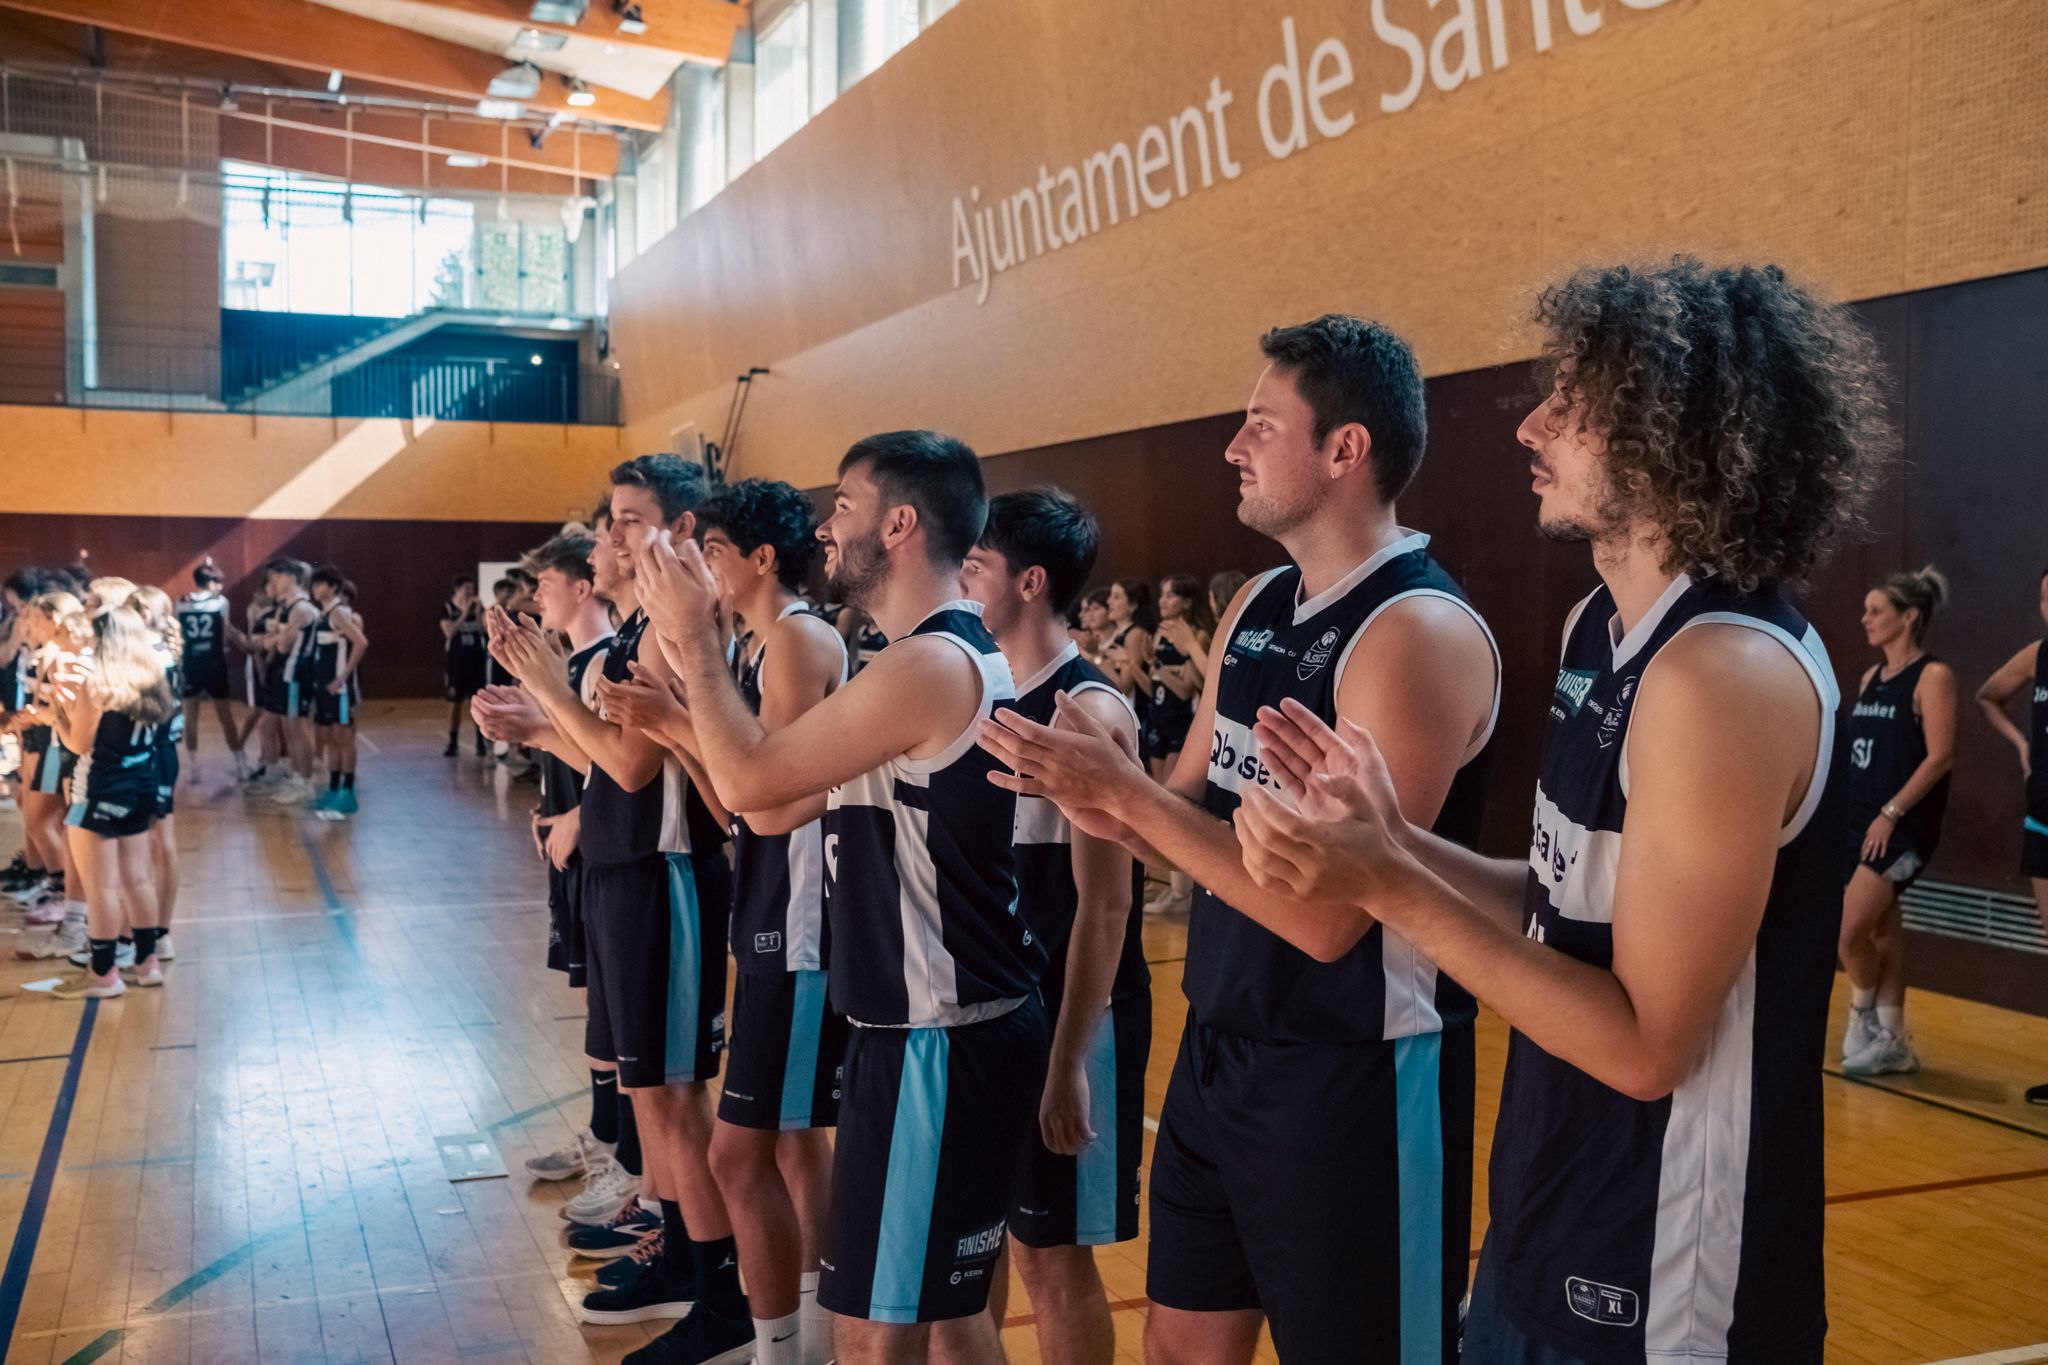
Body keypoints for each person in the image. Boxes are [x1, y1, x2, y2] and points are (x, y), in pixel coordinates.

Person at [1232, 261, 1891, 1364]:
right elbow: (1555, 910)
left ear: (1678, 434)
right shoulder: (1601, 626)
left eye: (1574, 400)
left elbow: (1644, 1048)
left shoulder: (1719, 675)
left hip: (1666, 1282)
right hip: (1546, 1225)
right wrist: (1390, 845)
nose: (1532, 421)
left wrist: (1384, 884)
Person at [976, 316, 1498, 1365]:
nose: (1232, 445)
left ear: (1343, 450)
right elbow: (1184, 805)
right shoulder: (1258, 603)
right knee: (1176, 1350)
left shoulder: (1414, 634)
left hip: (1353, 1072)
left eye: (1261, 423)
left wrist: (1131, 802)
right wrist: (1099, 796)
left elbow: (1323, 916)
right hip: (1217, 1048)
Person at [631, 431, 1043, 1365]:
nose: (826, 525)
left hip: (939, 1033)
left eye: (845, 506)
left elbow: (747, 781)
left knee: (871, 1334)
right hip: (941, 1028)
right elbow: (773, 809)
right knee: (947, 1319)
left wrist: (694, 637)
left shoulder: (929, 665)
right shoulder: (911, 660)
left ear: (899, 524)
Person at [487, 456, 746, 1364]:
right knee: (652, 1094)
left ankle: (721, 1293)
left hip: (668, 871)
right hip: (627, 867)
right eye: (606, 522)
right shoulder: (638, 626)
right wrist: (537, 719)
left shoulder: (671, 632)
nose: (607, 537)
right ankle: (681, 1253)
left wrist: (549, 689)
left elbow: (634, 767)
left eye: (627, 520)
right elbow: (607, 756)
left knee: (675, 1096)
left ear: (678, 531)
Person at [961, 487, 1148, 1365]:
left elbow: (1106, 906)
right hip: (998, 1016)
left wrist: (1069, 1060)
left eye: (978, 565)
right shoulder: (982, 690)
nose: (961, 577)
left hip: (1077, 1017)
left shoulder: (1090, 712)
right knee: (982, 1240)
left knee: (1052, 1254)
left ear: (1030, 581)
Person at [667, 478, 848, 1365]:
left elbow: (774, 797)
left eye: (717, 551)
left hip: (805, 922)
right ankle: (803, 1341)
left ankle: (789, 1348)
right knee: (786, 1143)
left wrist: (684, 698)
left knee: (741, 1155)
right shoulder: (757, 643)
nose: (704, 566)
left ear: (762, 558)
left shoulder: (798, 638)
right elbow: (739, 805)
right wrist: (677, 725)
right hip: (768, 905)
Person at [474, 510, 651, 1248]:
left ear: (585, 585)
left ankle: (632, 1167)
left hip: (622, 863)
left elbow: (625, 768)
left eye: (546, 581)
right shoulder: (574, 661)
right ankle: (605, 1143)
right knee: (601, 1021)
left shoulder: (615, 659)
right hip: (585, 863)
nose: (536, 594)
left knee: (633, 1038)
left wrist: (575, 809)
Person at [1838, 567, 1956, 1076]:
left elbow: (1940, 757)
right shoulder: (1870, 678)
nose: (1865, 618)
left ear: (1907, 617)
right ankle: (1892, 1038)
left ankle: (1862, 1015)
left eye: (1876, 611)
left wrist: (1891, 813)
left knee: (1846, 935)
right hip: (1859, 820)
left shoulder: (1933, 676)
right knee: (1883, 932)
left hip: (1901, 826)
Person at [49, 601, 177, 998]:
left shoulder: (98, 681)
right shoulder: (154, 676)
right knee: (137, 878)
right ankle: (146, 961)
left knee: (100, 886)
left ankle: (103, 973)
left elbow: (79, 743)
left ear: (104, 637)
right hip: (141, 783)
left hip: (99, 787)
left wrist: (59, 715)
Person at [1975, 566, 2048, 1106]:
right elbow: (1988, 695)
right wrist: (2023, 746)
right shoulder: (2037, 655)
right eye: (2044, 597)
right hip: (2042, 816)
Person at [1143, 575, 1217, 915]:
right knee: (1159, 792)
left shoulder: (1198, 635)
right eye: (1162, 594)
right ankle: (1177, 888)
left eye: (1171, 595)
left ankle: (1182, 890)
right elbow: (1155, 679)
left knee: (1173, 802)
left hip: (1181, 722)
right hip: (1157, 717)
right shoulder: (1161, 633)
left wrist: (1163, 668)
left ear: (1188, 602)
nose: (1164, 600)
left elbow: (1188, 688)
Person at [305, 567, 370, 819]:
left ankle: (348, 792)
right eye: (313, 584)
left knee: (344, 738)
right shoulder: (325, 613)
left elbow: (361, 642)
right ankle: (332, 789)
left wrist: (343, 676)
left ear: (332, 587)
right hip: (325, 689)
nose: (314, 589)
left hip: (340, 690)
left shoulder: (339, 612)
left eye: (319, 584)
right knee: (331, 738)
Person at [175, 560, 244, 782]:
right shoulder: (220, 602)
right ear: (212, 582)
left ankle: (194, 768)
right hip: (214, 664)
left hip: (190, 664)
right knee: (225, 716)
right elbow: (225, 633)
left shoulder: (181, 602)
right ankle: (240, 763)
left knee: (191, 718)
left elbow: (178, 632)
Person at [443, 576, 489, 756]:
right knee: (455, 704)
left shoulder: (478, 607)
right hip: (456, 665)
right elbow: (449, 632)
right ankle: (452, 742)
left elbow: (484, 631)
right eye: (466, 589)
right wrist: (464, 613)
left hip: (476, 663)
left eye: (472, 588)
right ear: (457, 589)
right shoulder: (447, 608)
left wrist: (477, 614)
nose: (470, 592)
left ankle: (480, 741)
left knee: (478, 704)